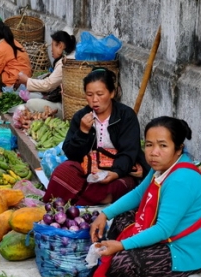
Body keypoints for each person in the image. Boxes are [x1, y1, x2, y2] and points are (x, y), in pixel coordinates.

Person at [89, 116, 201, 277]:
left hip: (186, 251)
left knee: (120, 263)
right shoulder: (162, 166)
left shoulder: (180, 180)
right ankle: (119, 246)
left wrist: (121, 246)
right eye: (149, 144)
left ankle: (119, 249)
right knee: (121, 218)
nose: (153, 152)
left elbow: (163, 230)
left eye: (163, 145)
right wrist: (105, 214)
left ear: (178, 149)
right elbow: (139, 194)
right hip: (171, 234)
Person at [42, 67, 148, 207]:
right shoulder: (81, 116)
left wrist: (115, 173)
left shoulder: (126, 116)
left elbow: (129, 153)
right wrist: (83, 131)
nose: (94, 100)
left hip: (118, 168)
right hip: (87, 167)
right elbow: (71, 153)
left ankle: (76, 199)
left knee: (107, 192)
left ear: (112, 93)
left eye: (100, 94)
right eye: (89, 95)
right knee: (61, 172)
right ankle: (81, 197)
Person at [17, 30, 76, 119]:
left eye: (52, 46)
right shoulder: (67, 59)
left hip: (65, 109)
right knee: (30, 94)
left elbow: (48, 85)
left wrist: (26, 80)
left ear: (60, 46)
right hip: (61, 101)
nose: (51, 50)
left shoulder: (65, 63)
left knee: (30, 103)